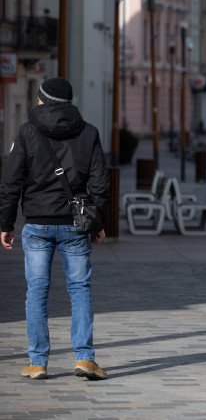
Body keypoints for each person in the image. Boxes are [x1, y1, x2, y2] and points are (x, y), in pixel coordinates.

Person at [0, 78, 110, 380]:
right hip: (75, 224)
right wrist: (98, 223)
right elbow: (100, 183)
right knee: (80, 289)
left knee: (36, 291)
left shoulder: (27, 132)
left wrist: (5, 224)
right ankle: (85, 358)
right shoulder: (88, 132)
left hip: (37, 224)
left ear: (42, 100)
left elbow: (10, 182)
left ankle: (37, 362)